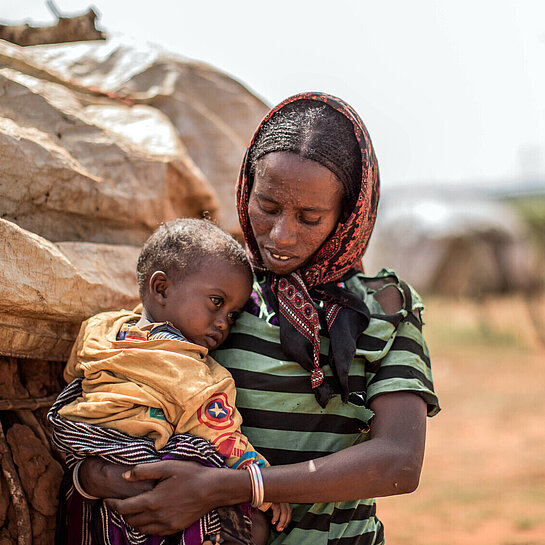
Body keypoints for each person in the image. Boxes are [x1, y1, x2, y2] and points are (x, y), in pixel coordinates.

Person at [51, 92, 440, 545]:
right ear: (246, 188)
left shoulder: (385, 310)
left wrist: (232, 486)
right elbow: (127, 394)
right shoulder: (213, 294)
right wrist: (97, 477)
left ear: (348, 214)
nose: (281, 235)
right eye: (268, 207)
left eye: (310, 217)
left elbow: (399, 462)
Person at [50, 218, 290, 545]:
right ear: (161, 288)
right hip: (149, 478)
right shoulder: (190, 369)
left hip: (88, 472)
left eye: (232, 315)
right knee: (252, 524)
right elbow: (220, 434)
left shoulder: (101, 328)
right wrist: (261, 481)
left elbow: (73, 378)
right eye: (217, 302)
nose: (223, 323)